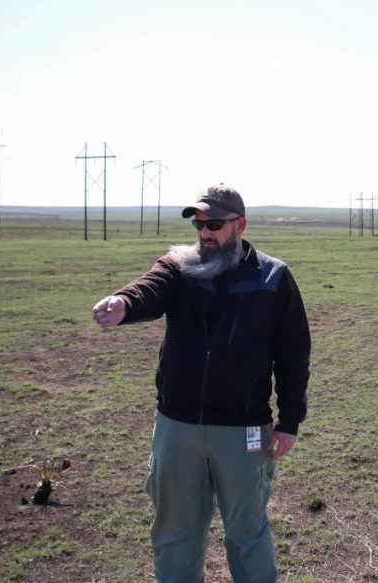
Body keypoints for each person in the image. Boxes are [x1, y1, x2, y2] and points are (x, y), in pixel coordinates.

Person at [92, 183, 311, 583]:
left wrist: (290, 420)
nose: (204, 233)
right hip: (178, 428)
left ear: (239, 225)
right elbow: (149, 288)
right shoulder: (179, 266)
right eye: (198, 224)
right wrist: (123, 302)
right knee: (175, 533)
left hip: (244, 430)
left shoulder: (274, 277)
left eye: (213, 224)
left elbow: (294, 353)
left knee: (247, 534)